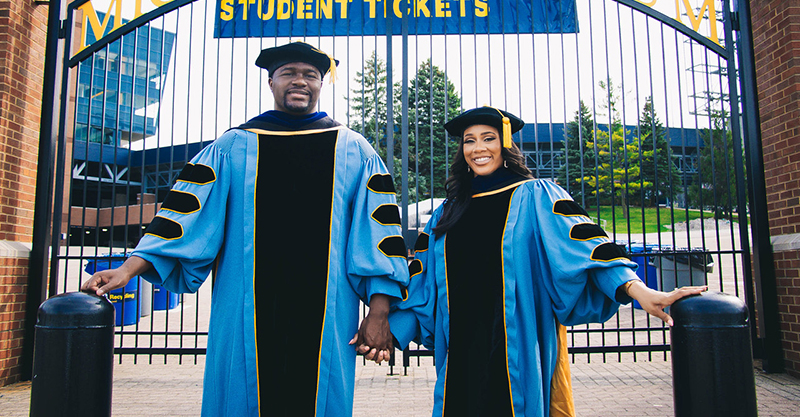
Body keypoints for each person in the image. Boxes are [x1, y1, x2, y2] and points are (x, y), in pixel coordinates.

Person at [81, 42, 409, 417]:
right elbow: (186, 217)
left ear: (321, 84)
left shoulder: (354, 149)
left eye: (310, 75)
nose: (299, 81)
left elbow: (378, 232)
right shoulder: (234, 146)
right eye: (288, 73)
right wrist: (128, 268)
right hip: (243, 310)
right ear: (271, 82)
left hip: (328, 313)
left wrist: (379, 311)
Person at [380, 106, 705, 417]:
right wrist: (388, 333)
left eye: (489, 137)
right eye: (470, 140)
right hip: (462, 353)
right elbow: (422, 288)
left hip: (517, 345)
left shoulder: (537, 196)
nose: (478, 147)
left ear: (505, 144)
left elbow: (587, 247)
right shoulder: (447, 212)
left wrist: (638, 291)